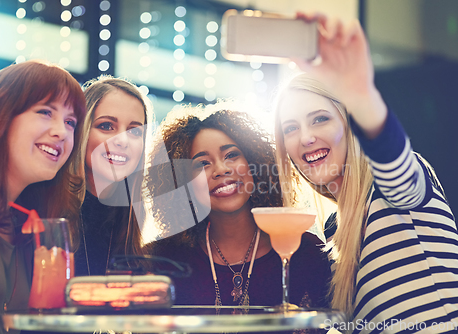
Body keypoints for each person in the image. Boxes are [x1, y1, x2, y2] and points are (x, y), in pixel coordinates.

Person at [274, 13, 458, 333]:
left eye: (319, 119)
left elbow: (389, 152)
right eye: (291, 128)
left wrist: (359, 93)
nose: (305, 137)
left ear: (349, 123)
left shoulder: (389, 190)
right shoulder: (333, 232)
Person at [144, 106, 331, 313]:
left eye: (232, 155)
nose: (222, 169)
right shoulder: (160, 259)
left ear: (254, 162)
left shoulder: (307, 252)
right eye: (202, 164)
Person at [0, 60, 86, 333]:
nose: (61, 132)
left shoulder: (33, 225)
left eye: (70, 122)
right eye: (44, 112)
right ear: (0, 115)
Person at [73, 76, 152, 276]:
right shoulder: (48, 208)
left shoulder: (133, 220)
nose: (122, 141)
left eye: (135, 131)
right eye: (107, 126)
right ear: (81, 131)